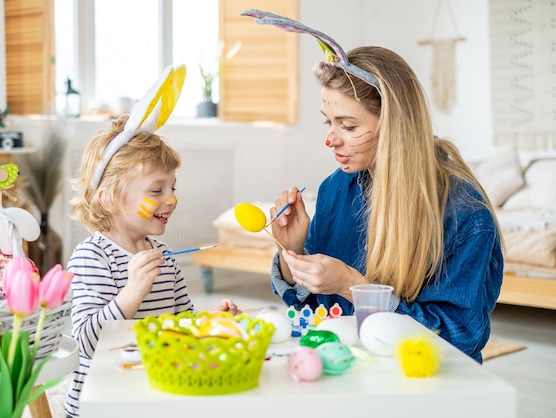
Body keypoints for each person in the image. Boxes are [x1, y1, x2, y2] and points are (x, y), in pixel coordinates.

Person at [243, 10, 503, 363]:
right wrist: (294, 254)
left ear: (395, 124)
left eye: (348, 126)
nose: (330, 140)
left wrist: (353, 286)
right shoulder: (337, 189)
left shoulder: (464, 214)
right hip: (347, 368)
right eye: (328, 122)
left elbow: (458, 338)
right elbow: (315, 311)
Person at [64, 65, 239, 417]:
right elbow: (85, 341)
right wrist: (132, 292)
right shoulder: (92, 257)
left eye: (173, 188)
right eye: (157, 190)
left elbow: (181, 320)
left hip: (148, 394)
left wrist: (209, 322)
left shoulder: (162, 255)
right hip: (101, 404)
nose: (171, 199)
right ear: (109, 199)